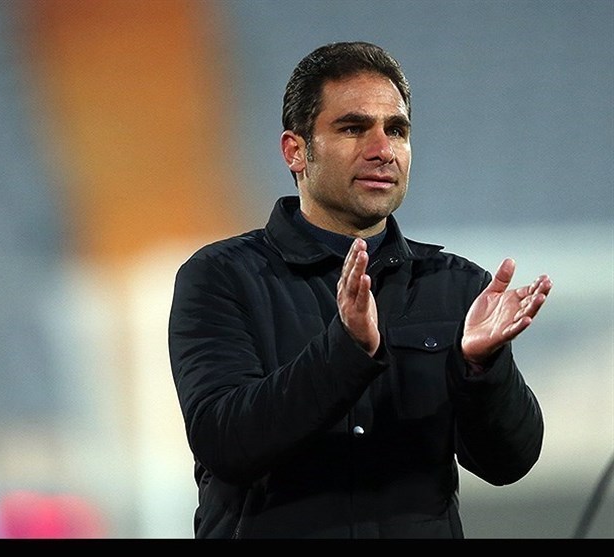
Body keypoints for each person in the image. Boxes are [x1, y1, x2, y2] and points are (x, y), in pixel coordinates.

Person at [167, 41, 553, 539]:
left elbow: (508, 463)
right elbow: (225, 443)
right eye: (353, 128)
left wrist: (483, 369)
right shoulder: (221, 276)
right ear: (296, 151)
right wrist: (346, 351)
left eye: (397, 130)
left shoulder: (457, 287)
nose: (382, 149)